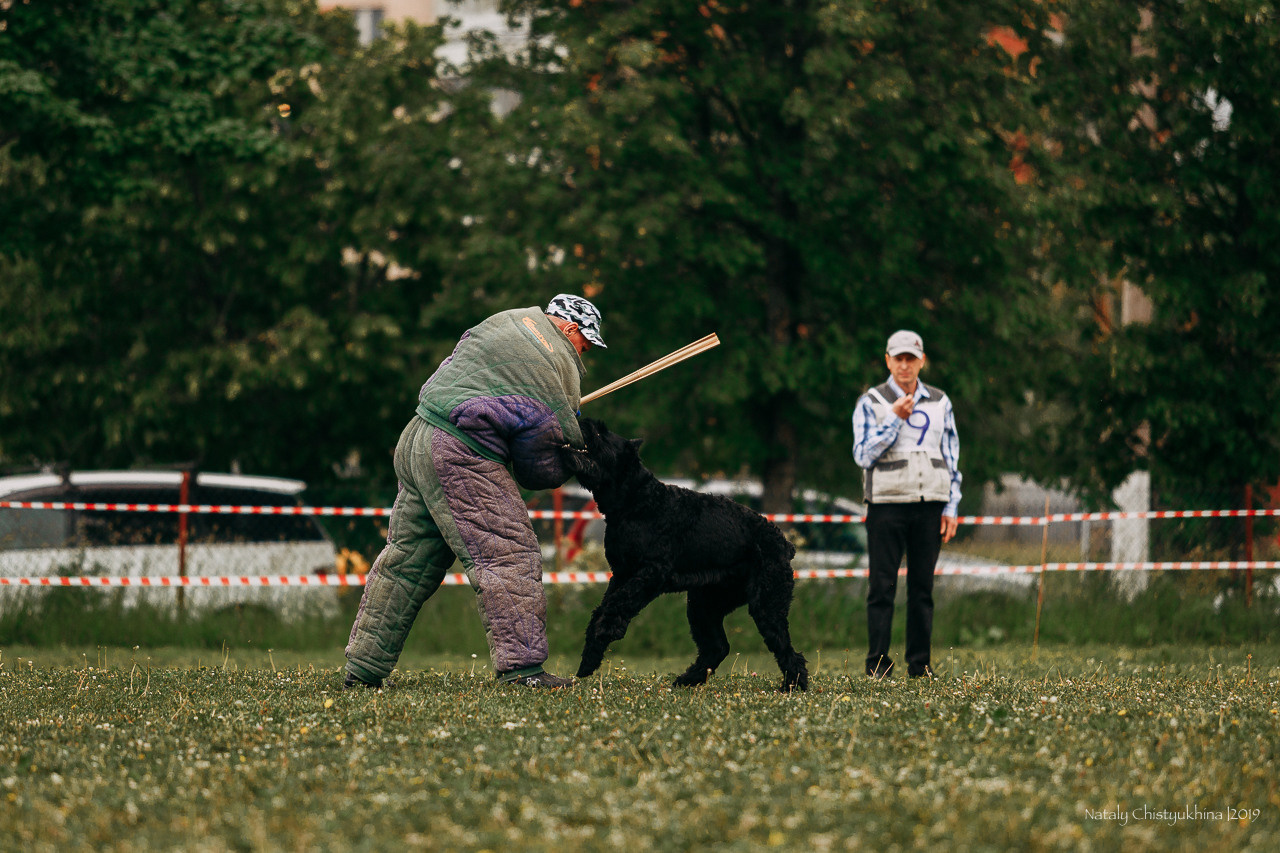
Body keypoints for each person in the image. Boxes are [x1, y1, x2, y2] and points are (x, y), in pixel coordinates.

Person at [344, 294, 606, 689]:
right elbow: (540, 464)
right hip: (461, 453)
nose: (582, 357)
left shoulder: (507, 320)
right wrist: (571, 440)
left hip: (417, 436)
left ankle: (362, 669)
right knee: (509, 553)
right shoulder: (558, 360)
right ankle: (522, 671)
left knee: (407, 559)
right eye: (585, 346)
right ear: (570, 330)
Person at [852, 330, 961, 679]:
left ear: (921, 361)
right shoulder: (872, 401)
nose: (904, 365)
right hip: (886, 503)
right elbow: (863, 454)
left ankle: (920, 664)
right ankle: (877, 666)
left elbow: (951, 457)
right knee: (882, 587)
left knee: (922, 589)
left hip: (930, 503)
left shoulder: (941, 402)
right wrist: (895, 418)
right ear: (887, 361)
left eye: (910, 359)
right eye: (897, 358)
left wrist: (952, 507)